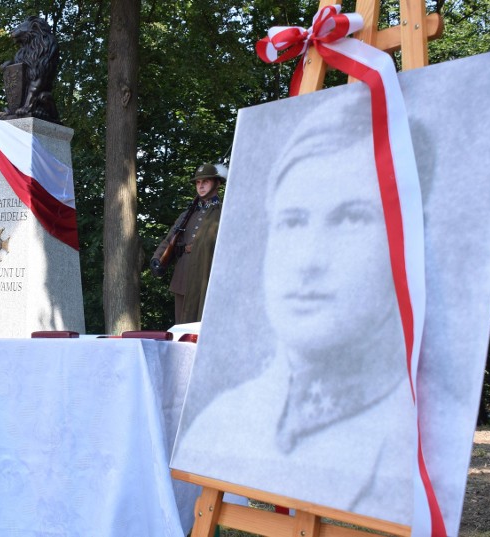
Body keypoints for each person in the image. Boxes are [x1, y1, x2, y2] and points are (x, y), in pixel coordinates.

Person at [173, 92, 417, 525]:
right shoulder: (222, 419)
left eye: (348, 219)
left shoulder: (405, 437)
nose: (309, 260)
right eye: (292, 221)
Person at [150, 163, 226, 324]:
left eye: (206, 181)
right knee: (182, 328)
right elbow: (170, 238)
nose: (201, 186)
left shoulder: (224, 213)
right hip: (184, 277)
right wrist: (157, 258)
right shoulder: (187, 214)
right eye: (198, 182)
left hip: (207, 277)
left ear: (217, 183)